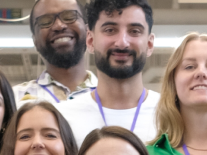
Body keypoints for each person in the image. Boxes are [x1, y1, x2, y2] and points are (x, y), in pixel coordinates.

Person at [57, 0, 161, 145]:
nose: (122, 42)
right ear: (90, 40)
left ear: (149, 44)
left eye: (134, 31)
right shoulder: (62, 119)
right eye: (110, 30)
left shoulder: (172, 116)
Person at [15, 0, 98, 103]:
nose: (59, 26)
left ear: (88, 31)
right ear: (35, 41)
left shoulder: (114, 97)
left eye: (69, 16)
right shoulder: (14, 100)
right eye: (45, 21)